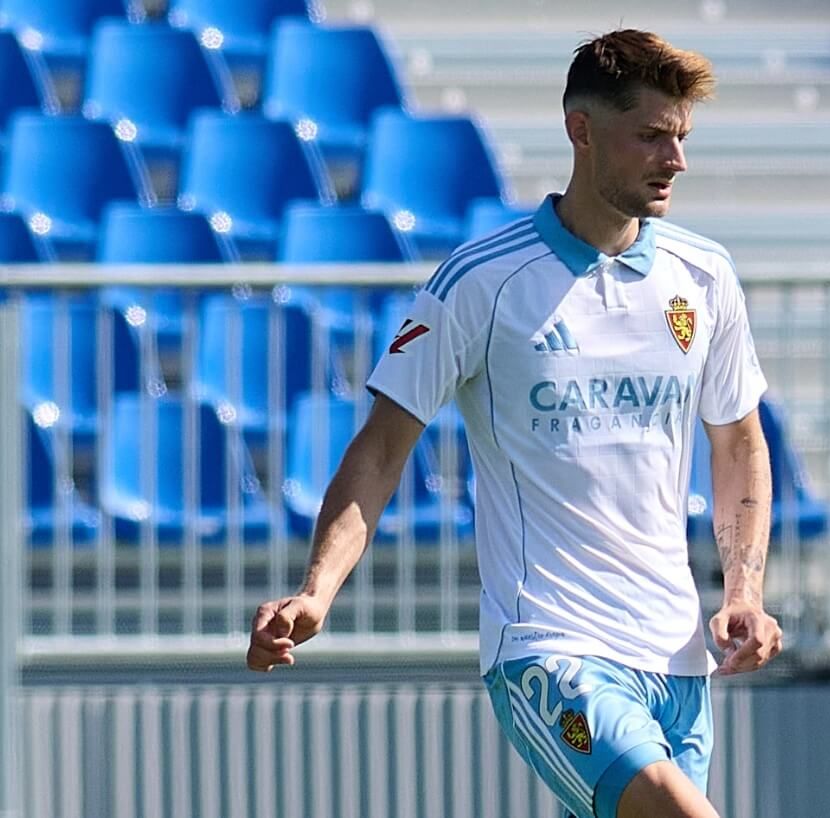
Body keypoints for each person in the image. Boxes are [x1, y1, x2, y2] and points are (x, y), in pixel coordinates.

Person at [246, 29, 781, 818]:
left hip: (677, 658)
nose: (674, 161)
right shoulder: (481, 282)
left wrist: (745, 589)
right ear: (581, 131)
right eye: (651, 137)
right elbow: (382, 447)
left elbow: (737, 441)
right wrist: (317, 590)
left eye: (681, 138)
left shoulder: (702, 276)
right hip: (548, 651)